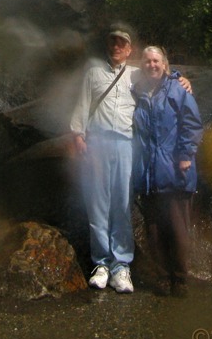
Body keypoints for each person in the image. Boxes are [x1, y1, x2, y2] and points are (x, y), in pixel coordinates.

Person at [70, 29, 192, 294]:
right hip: (99, 142)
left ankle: (121, 265)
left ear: (129, 50)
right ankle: (101, 263)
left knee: (122, 203)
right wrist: (78, 135)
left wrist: (183, 79)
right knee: (98, 203)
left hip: (126, 144)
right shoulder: (93, 73)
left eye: (122, 43)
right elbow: (82, 104)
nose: (116, 46)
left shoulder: (136, 73)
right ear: (108, 46)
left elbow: (161, 75)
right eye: (112, 41)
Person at [132, 45, 203, 297]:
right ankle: (162, 277)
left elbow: (192, 123)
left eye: (156, 60)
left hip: (174, 170)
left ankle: (180, 279)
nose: (151, 64)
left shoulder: (177, 88)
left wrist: (185, 155)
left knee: (177, 228)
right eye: (147, 61)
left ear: (164, 64)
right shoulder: (137, 90)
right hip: (149, 173)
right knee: (154, 230)